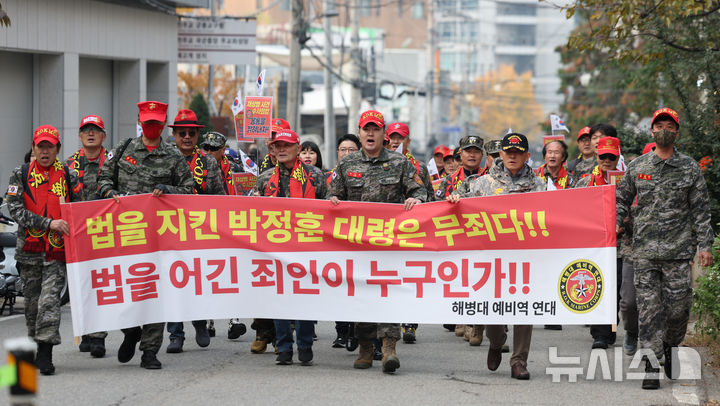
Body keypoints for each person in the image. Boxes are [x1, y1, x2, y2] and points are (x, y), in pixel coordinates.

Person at [616, 107, 713, 389]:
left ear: (677, 132)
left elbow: (701, 210)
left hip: (678, 253)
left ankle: (671, 345)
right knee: (648, 311)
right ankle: (651, 365)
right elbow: (621, 200)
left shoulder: (689, 168)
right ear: (652, 131)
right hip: (644, 253)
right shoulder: (638, 167)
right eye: (659, 125)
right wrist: (616, 223)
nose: (663, 129)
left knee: (678, 312)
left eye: (669, 125)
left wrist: (705, 245)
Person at [97, 101, 194, 370]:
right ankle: (130, 330)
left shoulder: (173, 156)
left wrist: (168, 189)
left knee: (155, 292)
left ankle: (150, 351)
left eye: (156, 123)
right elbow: (103, 179)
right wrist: (110, 194)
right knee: (124, 289)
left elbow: (189, 189)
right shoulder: (124, 148)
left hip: (158, 238)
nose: (152, 127)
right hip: (125, 234)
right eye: (147, 122)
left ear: (163, 125)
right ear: (140, 121)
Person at [328, 110, 427, 374]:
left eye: (376, 129)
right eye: (366, 129)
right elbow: (332, 195)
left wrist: (415, 199)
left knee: (388, 293)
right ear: (359, 133)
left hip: (389, 245)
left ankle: (389, 348)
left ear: (384, 135)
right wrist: (334, 202)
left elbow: (419, 189)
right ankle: (365, 347)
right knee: (363, 295)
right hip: (357, 245)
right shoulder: (346, 166)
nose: (370, 134)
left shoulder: (399, 162)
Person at [448, 133, 544, 380]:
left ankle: (519, 361)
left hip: (526, 258)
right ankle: (496, 341)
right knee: (494, 314)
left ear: (526, 156)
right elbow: (461, 211)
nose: (512, 156)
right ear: (500, 155)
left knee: (525, 311)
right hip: (493, 259)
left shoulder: (539, 186)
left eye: (517, 152)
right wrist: (456, 201)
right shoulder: (483, 184)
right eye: (508, 152)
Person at [6, 125, 79, 375]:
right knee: (33, 307)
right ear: (34, 148)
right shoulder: (21, 173)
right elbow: (14, 209)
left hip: (57, 252)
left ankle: (46, 354)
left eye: (50, 146)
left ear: (58, 149)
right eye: (41, 146)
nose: (45, 151)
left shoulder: (68, 175)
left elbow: (80, 209)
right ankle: (35, 347)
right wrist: (48, 223)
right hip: (29, 251)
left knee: (49, 303)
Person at [252, 129, 328, 366]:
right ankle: (284, 347)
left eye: (287, 145)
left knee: (305, 298)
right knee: (280, 299)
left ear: (298, 148)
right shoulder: (265, 179)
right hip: (275, 249)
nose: (282, 149)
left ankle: (305, 344)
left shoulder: (315, 176)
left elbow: (329, 209)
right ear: (272, 150)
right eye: (278, 146)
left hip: (307, 248)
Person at [164, 109, 225, 354]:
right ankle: (175, 334)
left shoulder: (208, 162)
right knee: (172, 284)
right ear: (174, 135)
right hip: (169, 231)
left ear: (197, 135)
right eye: (182, 133)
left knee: (196, 282)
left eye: (191, 133)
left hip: (200, 232)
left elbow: (219, 195)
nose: (187, 137)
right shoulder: (165, 158)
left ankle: (200, 322)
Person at [65, 114, 110, 357]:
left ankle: (99, 335)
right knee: (80, 284)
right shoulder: (68, 165)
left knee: (100, 282)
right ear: (80, 136)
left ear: (103, 136)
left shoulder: (113, 163)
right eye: (86, 130)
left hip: (105, 234)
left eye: (95, 130)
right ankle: (85, 330)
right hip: (77, 235)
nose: (90, 133)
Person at [574, 137, 624, 349]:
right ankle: (600, 334)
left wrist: (624, 221)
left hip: (622, 246)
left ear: (617, 158)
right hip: (593, 246)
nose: (606, 161)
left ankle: (612, 327)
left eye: (611, 157)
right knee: (597, 286)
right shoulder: (585, 182)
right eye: (602, 156)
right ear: (596, 156)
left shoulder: (625, 181)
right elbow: (572, 210)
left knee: (618, 289)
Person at [327, 133, 361, 349]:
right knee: (340, 286)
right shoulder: (330, 176)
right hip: (338, 240)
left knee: (359, 288)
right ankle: (342, 331)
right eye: (343, 150)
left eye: (351, 150)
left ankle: (358, 332)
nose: (347, 154)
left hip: (364, 240)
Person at [436, 135, 486, 201]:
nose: (472, 155)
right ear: (461, 155)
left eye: (476, 152)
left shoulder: (489, 177)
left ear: (482, 155)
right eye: (468, 151)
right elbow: (438, 205)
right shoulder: (448, 180)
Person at [201, 131, 237, 196]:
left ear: (223, 150)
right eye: (206, 148)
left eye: (213, 148)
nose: (209, 152)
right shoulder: (197, 166)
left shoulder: (235, 169)